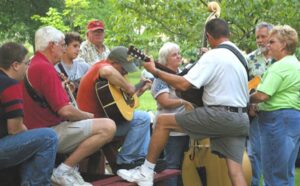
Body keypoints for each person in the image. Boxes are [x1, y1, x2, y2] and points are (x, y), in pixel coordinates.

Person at [117, 18, 249, 186]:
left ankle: (146, 171)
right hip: (241, 119)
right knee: (235, 171)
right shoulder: (239, 56)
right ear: (228, 34)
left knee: (163, 121)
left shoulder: (213, 55)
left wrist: (155, 71)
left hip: (220, 115)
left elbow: (184, 84)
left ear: (208, 36)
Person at [22, 26, 116, 186]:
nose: (64, 48)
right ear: (52, 46)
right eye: (62, 44)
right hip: (48, 133)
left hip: (36, 131)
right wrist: (89, 116)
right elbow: (65, 110)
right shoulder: (45, 68)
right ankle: (64, 170)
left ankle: (71, 171)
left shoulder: (34, 64)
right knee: (108, 126)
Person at [77, 46, 152, 172]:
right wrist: (128, 86)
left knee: (142, 117)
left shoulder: (109, 81)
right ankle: (126, 161)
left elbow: (121, 106)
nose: (125, 72)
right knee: (142, 118)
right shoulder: (100, 67)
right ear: (113, 62)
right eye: (123, 68)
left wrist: (140, 91)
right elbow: (108, 71)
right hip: (93, 127)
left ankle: (138, 158)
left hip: (105, 122)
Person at [0, 42, 58, 186]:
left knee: (34, 139)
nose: (28, 67)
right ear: (15, 65)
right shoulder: (10, 84)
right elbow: (15, 129)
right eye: (26, 63)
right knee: (48, 137)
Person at [249, 25, 300, 186]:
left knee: (273, 174)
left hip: (276, 122)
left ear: (284, 44)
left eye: (272, 41)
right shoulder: (295, 64)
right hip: (292, 119)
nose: (267, 45)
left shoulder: (279, 66)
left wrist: (246, 98)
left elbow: (262, 95)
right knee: (285, 173)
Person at [151, 42, 193, 186]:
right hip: (170, 130)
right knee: (172, 166)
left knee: (185, 166)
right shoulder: (160, 78)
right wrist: (183, 102)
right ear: (165, 59)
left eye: (179, 53)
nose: (179, 56)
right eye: (174, 55)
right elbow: (164, 101)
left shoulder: (182, 75)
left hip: (185, 126)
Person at [246, 22, 274, 186]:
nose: (260, 40)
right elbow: (245, 85)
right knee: (254, 153)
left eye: (264, 36)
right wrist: (250, 105)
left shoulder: (281, 59)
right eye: (257, 37)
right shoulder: (249, 59)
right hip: (255, 113)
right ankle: (254, 183)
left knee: (274, 153)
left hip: (276, 112)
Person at [55, 32, 90, 97]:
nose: (78, 49)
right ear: (64, 47)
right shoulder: (55, 68)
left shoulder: (84, 66)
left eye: (79, 46)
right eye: (75, 46)